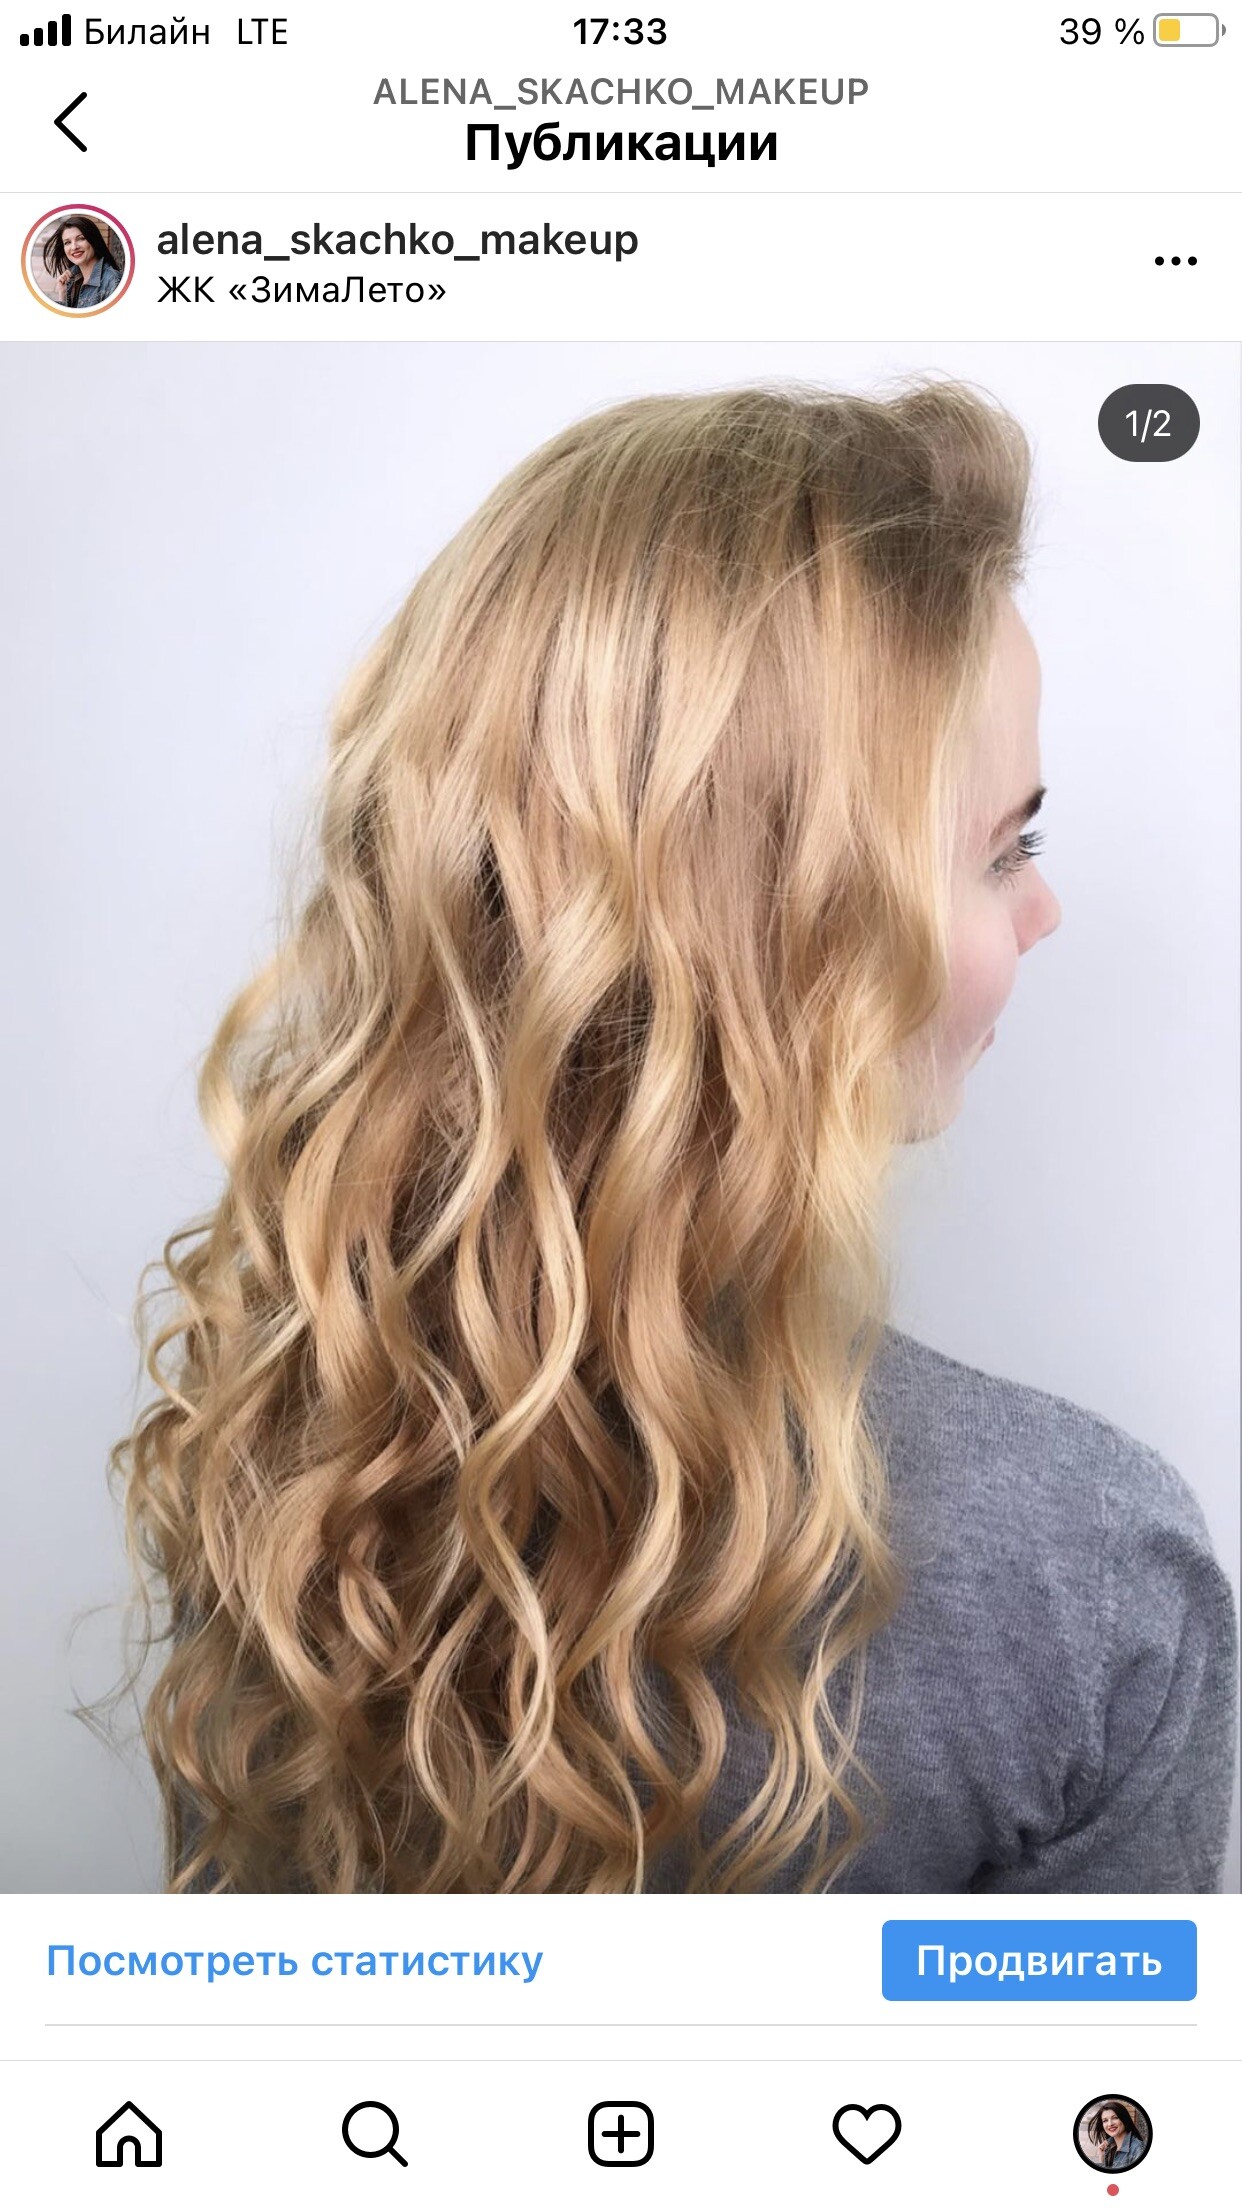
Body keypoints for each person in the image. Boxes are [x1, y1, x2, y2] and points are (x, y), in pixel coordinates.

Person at [108, 379, 1237, 1895]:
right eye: (998, 850)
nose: (1041, 909)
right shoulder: (1090, 1584)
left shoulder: (297, 1452)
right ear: (786, 933)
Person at [42, 215, 122, 309]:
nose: (74, 247)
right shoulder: (73, 280)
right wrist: (63, 294)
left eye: (81, 238)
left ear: (93, 240)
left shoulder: (112, 281)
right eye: (67, 242)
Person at [1085, 2102, 1149, 2171]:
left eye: (1115, 2118)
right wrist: (1102, 2157)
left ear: (1124, 2119)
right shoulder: (1109, 2147)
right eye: (1105, 2120)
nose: (1110, 2124)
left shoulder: (1138, 2149)